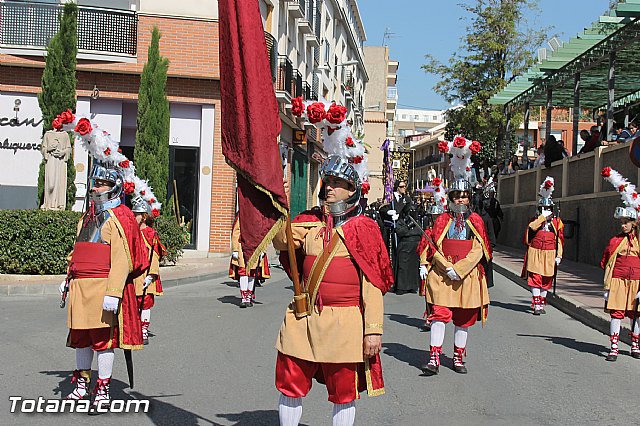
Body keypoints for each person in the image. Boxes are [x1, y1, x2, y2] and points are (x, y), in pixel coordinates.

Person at [273, 155, 393, 426]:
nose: (329, 188)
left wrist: (373, 330)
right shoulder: (308, 222)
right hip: (303, 319)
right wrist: (283, 205)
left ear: (352, 189)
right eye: (326, 182)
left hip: (345, 323)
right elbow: (282, 242)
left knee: (343, 392)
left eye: (337, 183)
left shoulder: (365, 228)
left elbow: (373, 283)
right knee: (290, 382)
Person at [60, 162, 149, 409]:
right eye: (95, 183)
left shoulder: (118, 217)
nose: (96, 188)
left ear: (114, 187)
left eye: (101, 184)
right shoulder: (86, 217)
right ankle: (81, 385)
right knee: (81, 339)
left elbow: (122, 258)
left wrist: (114, 292)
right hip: (80, 288)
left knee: (103, 342)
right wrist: (67, 278)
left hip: (102, 288)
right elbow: (78, 251)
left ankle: (102, 389)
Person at [421, 136, 492, 376]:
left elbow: (479, 248)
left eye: (464, 197)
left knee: (463, 319)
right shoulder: (442, 219)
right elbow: (433, 247)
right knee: (440, 315)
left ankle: (459, 358)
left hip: (467, 275)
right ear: (450, 200)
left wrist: (460, 269)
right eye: (456, 197)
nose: (461, 200)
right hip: (443, 275)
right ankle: (434, 357)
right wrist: (444, 266)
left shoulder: (476, 220)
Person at [600, 167, 640, 361]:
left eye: (626, 222)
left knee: (635, 313)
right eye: (621, 221)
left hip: (636, 282)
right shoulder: (615, 240)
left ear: (634, 223)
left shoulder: (639, 240)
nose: (623, 225)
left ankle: (635, 344)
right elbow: (607, 262)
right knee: (617, 314)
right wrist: (607, 286)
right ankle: (614, 346)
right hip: (618, 280)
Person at [521, 177, 564, 315]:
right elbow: (531, 228)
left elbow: (559, 240)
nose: (546, 210)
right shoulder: (535, 220)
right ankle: (536, 303)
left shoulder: (557, 223)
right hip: (536, 251)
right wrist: (542, 218)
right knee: (536, 278)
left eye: (548, 209)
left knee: (547, 278)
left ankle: (542, 302)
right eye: (543, 208)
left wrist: (559, 255)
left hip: (550, 253)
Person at [131, 195, 166, 345]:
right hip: (133, 274)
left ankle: (143, 330)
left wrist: (152, 275)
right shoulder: (131, 232)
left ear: (144, 217)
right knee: (132, 302)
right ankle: (133, 329)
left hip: (146, 274)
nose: (134, 217)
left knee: (145, 303)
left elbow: (155, 256)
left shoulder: (151, 234)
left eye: (136, 214)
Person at [229, 216, 270, 308]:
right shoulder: (242, 215)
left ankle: (249, 296)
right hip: (242, 246)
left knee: (252, 272)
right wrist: (235, 249)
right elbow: (236, 232)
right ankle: (244, 298)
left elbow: (264, 233)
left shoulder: (259, 216)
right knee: (243, 271)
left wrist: (263, 249)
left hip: (256, 247)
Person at [394, 204, 423, 294]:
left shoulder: (418, 222)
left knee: (413, 267)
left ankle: (412, 286)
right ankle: (402, 287)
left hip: (415, 245)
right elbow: (399, 231)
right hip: (405, 245)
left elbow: (421, 232)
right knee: (403, 266)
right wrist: (408, 225)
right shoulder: (401, 221)